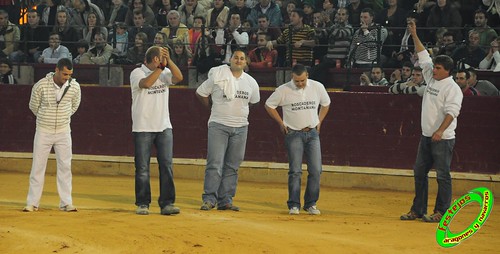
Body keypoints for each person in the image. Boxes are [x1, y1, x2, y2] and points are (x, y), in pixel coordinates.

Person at [400, 20, 463, 223]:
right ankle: (418, 209)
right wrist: (415, 34)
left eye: (437, 68)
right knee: (420, 172)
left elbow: (452, 113)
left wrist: (439, 131)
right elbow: (423, 55)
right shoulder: (432, 78)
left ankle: (442, 212)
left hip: (442, 138)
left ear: (447, 70)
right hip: (427, 136)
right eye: (434, 67)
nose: (432, 70)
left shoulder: (452, 88)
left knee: (443, 176)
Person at [195, 49, 260, 211]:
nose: (238, 60)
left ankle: (225, 200)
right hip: (218, 124)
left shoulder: (251, 82)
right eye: (235, 58)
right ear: (230, 60)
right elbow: (201, 93)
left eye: (242, 58)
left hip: (241, 127)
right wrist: (212, 107)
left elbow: (254, 102)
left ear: (246, 63)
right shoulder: (217, 77)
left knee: (232, 165)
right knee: (215, 164)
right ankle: (209, 198)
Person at [265, 64, 331, 215]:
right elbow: (269, 105)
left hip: (312, 132)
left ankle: (310, 203)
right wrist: (281, 123)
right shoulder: (283, 89)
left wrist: (319, 121)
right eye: (297, 81)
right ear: (292, 78)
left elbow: (326, 104)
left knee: (316, 170)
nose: (300, 84)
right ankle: (294, 204)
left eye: (302, 80)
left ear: (307, 75)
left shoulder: (317, 86)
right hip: (293, 133)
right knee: (295, 170)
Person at [129, 45, 183, 215]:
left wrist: (169, 62)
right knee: (142, 167)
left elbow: (179, 77)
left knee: (166, 165)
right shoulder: (137, 73)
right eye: (161, 58)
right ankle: (143, 203)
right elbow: (146, 84)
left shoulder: (164, 72)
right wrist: (161, 67)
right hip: (143, 127)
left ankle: (167, 203)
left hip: (164, 126)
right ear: (155, 60)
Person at [23, 58, 82, 212]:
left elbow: (75, 105)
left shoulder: (74, 86)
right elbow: (33, 106)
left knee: (65, 166)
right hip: (44, 130)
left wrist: (63, 117)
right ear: (56, 70)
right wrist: (45, 118)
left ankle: (66, 202)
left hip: (63, 131)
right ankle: (32, 202)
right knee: (38, 166)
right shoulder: (41, 85)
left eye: (69, 75)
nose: (66, 77)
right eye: (64, 74)